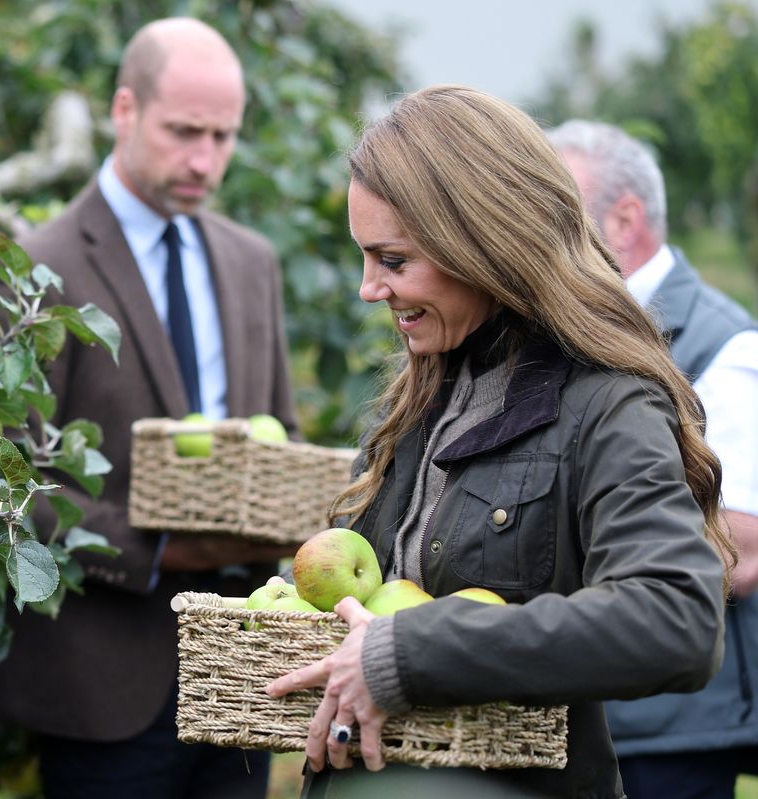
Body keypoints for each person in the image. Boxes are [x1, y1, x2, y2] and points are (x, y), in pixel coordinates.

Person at [265, 85, 733, 798]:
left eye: (393, 260)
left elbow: (675, 617)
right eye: (364, 258)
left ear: (482, 243)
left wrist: (410, 651)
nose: (368, 288)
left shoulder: (607, 403)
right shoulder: (416, 397)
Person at [0, 17, 299, 799]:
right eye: (185, 131)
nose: (205, 160)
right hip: (101, 688)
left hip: (238, 676)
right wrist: (152, 551)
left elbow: (282, 434)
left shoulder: (251, 262)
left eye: (223, 137)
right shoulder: (32, 268)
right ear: (124, 110)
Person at [548, 119, 758, 799]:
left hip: (673, 730)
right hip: (582, 708)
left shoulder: (726, 345)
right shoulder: (564, 335)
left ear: (626, 218)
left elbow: (741, 545)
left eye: (558, 209)